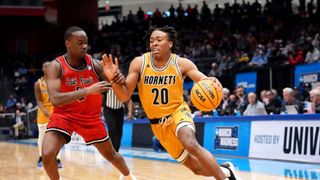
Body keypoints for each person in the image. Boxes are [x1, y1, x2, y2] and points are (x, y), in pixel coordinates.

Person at [102, 26, 240, 180]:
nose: (154, 43)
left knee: (190, 142)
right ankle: (226, 171)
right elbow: (124, 96)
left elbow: (204, 81)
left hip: (178, 113)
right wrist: (113, 80)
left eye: (159, 40)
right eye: (151, 41)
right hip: (158, 126)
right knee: (196, 168)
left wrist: (212, 81)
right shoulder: (139, 63)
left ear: (170, 44)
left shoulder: (182, 63)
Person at [43, 26, 136, 180]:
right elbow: (55, 99)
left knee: (112, 155)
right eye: (80, 43)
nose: (84, 46)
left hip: (90, 118)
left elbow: (124, 95)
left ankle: (128, 176)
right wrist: (87, 90)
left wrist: (117, 79)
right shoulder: (56, 66)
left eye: (86, 42)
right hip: (64, 116)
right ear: (68, 43)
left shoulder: (95, 64)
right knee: (47, 155)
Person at [34, 62, 62, 168]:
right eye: (46, 66)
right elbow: (38, 101)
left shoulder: (57, 82)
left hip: (55, 111)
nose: (48, 68)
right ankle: (41, 158)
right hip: (43, 113)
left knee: (57, 137)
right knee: (42, 136)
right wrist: (45, 111)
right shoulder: (38, 84)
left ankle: (57, 159)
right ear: (42, 69)